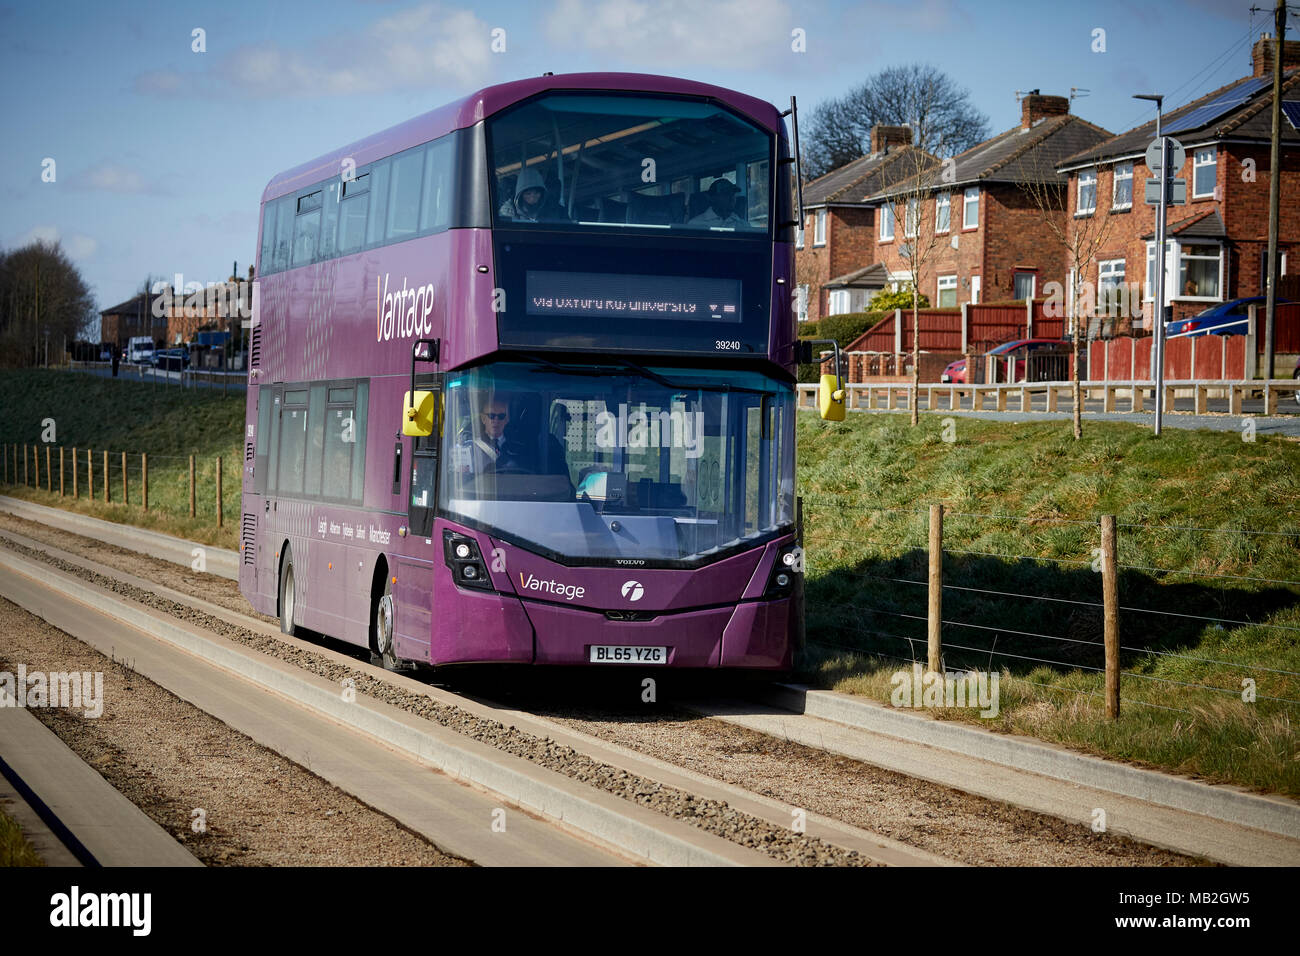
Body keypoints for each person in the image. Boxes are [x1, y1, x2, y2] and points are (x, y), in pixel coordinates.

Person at [499, 167, 567, 223]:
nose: (532, 198)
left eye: (536, 193)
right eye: (528, 194)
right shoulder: (508, 212)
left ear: (542, 194)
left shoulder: (557, 211)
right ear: (520, 195)